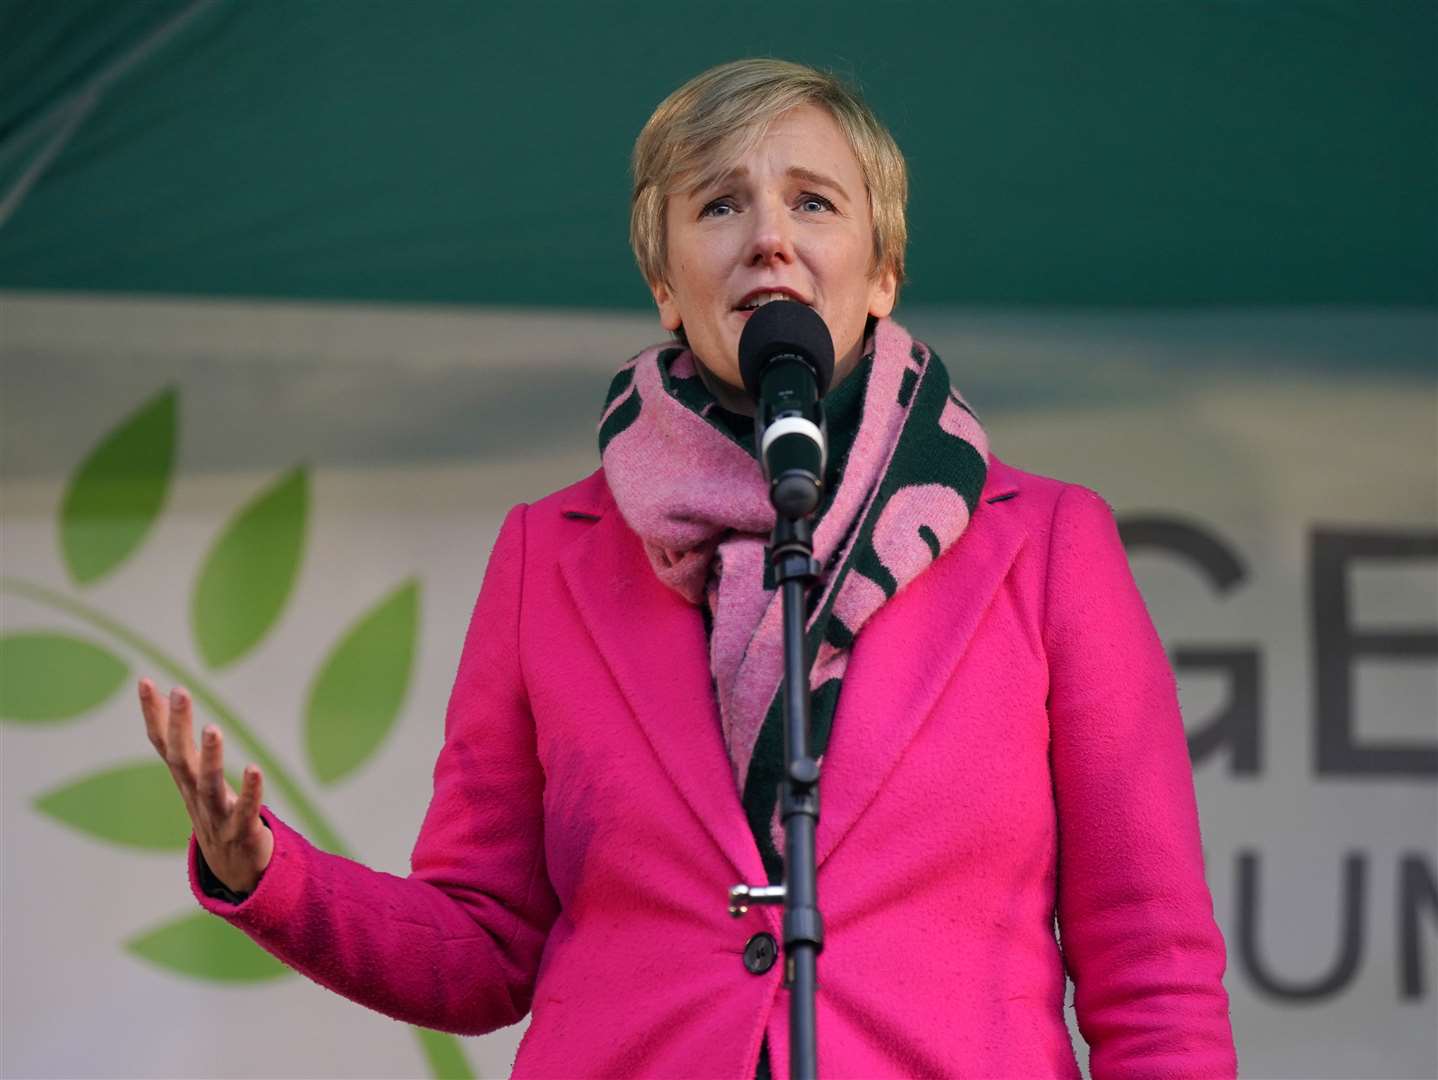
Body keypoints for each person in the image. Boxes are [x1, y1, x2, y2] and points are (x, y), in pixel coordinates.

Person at [138, 58, 1238, 1079]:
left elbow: (1151, 966)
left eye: (814, 201)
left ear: (883, 271)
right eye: (718, 205)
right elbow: (480, 945)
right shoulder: (548, 554)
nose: (768, 238)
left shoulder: (1042, 543)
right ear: (665, 284)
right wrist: (263, 873)